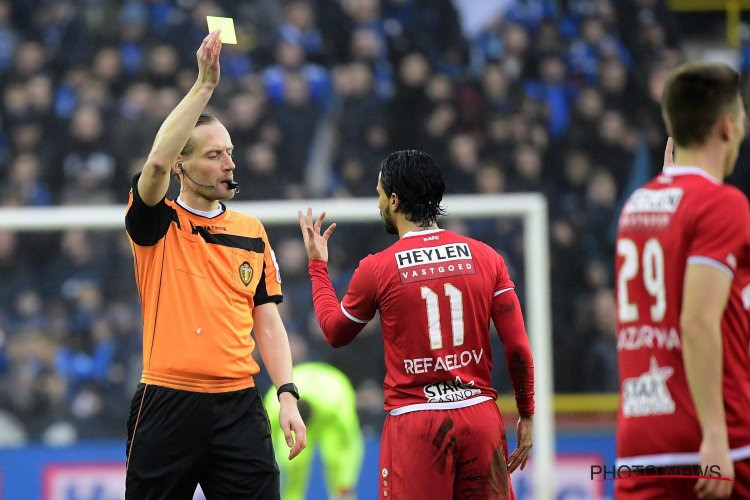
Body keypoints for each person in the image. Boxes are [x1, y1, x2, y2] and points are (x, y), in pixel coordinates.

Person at [124, 31, 305, 499]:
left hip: (237, 404)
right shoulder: (156, 223)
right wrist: (204, 86)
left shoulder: (252, 230)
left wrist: (287, 393)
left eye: (229, 152)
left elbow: (267, 320)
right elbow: (157, 159)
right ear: (182, 166)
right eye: (213, 154)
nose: (229, 163)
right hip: (167, 401)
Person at [298, 149, 535, 499]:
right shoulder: (487, 257)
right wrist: (527, 413)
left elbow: (334, 331)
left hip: (416, 423)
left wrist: (318, 266)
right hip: (479, 417)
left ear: (394, 200)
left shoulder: (378, 268)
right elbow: (517, 347)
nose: (378, 203)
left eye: (379, 194)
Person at [614, 62, 750, 499]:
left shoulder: (637, 204)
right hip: (715, 439)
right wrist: (714, 434)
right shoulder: (723, 205)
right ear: (728, 127)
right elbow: (695, 322)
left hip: (641, 441)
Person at [264, 362, 365, 500]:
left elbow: (349, 444)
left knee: (336, 459)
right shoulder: (277, 406)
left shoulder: (337, 405)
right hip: (298, 404)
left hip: (328, 416)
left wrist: (346, 482)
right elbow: (266, 439)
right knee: (293, 463)